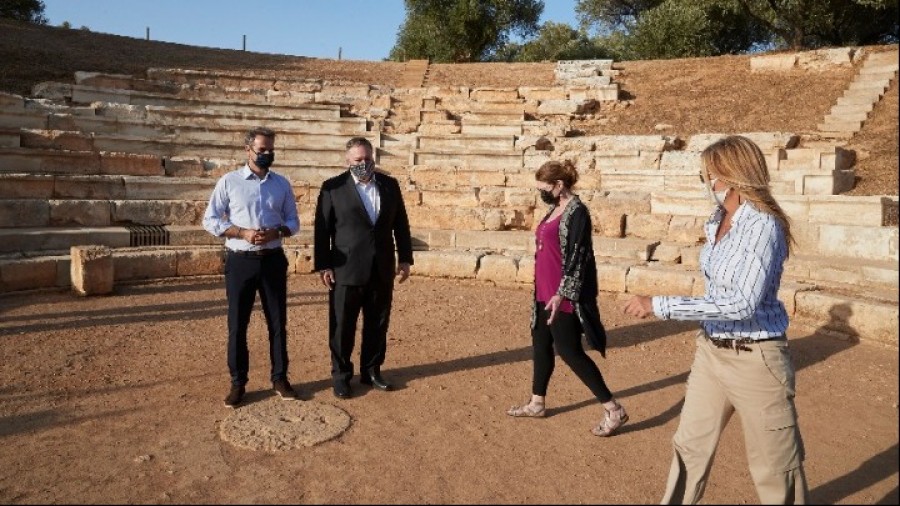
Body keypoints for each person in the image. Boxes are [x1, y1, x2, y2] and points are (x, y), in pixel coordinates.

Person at [623, 135, 808, 504]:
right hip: (712, 351)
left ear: (736, 175)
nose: (708, 183)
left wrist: (660, 306)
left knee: (775, 468)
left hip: (756, 359)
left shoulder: (762, 227)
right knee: (689, 448)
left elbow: (740, 303)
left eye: (712, 175)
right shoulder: (719, 220)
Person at [506, 159, 628, 437]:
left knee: (570, 351)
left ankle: (614, 408)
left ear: (559, 185)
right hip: (543, 291)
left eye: (544, 187)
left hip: (563, 295)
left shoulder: (577, 212)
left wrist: (563, 293)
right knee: (540, 345)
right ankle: (537, 402)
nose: (541, 192)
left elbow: (578, 256)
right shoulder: (554, 209)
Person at [202, 126, 301, 408]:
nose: (268, 154)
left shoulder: (281, 184)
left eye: (271, 150)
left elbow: (294, 222)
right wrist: (240, 233)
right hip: (240, 260)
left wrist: (277, 231)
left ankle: (280, 378)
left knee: (278, 322)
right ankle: (238, 383)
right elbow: (210, 220)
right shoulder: (229, 182)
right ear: (248, 150)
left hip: (272, 259)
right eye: (262, 150)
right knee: (237, 325)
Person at [314, 136, 413, 399]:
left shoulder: (390, 185)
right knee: (342, 326)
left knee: (377, 323)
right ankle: (341, 376)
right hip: (345, 269)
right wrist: (324, 264)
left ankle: (371, 371)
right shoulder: (332, 188)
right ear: (347, 161)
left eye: (368, 159)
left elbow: (400, 224)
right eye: (358, 160)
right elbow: (323, 230)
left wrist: (405, 258)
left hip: (381, 268)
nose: (364, 163)